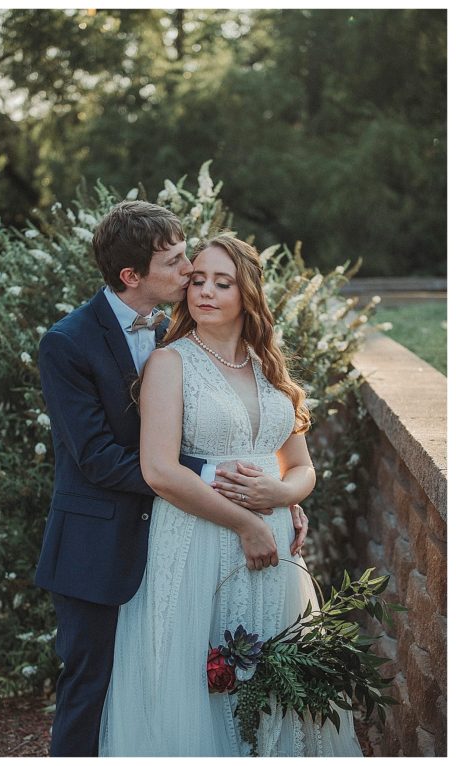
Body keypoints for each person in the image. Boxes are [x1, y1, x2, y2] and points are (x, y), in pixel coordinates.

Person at [35, 201, 301, 757]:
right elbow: (99, 458)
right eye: (179, 264)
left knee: (208, 679)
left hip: (190, 532)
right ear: (133, 276)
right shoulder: (68, 343)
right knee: (92, 689)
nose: (189, 275)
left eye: (195, 265)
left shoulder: (181, 331)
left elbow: (221, 418)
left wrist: (279, 493)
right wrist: (217, 477)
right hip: (99, 544)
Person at [98, 234, 361, 756]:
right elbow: (159, 471)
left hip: (277, 552)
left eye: (223, 282)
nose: (206, 292)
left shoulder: (270, 367)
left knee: (273, 676)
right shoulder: (169, 364)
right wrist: (247, 522)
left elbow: (303, 468)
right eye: (197, 280)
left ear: (248, 294)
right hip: (199, 539)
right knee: (205, 675)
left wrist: (281, 493)